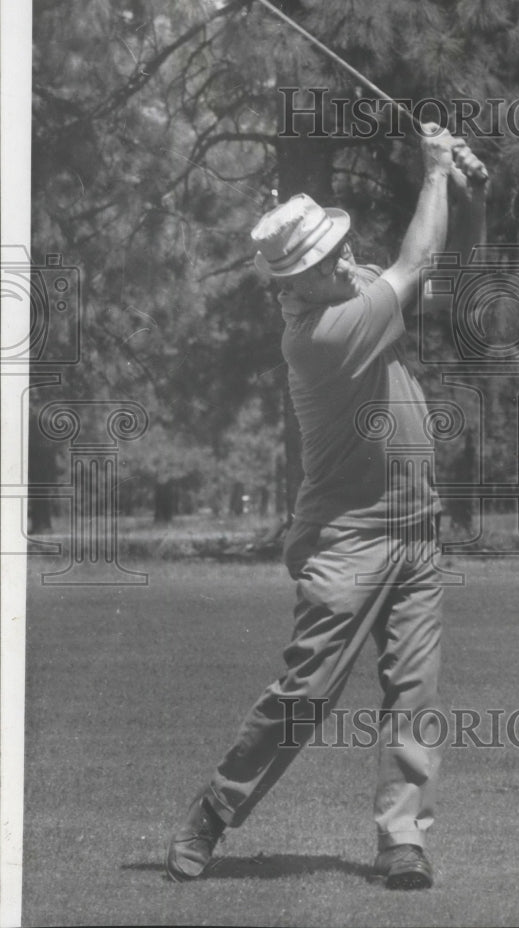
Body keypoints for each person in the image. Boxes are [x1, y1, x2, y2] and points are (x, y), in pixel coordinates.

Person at [166, 125, 487, 890]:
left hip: (416, 528)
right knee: (308, 694)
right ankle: (214, 810)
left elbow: (451, 274)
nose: (345, 258)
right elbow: (414, 262)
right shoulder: (319, 334)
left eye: (339, 247)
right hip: (347, 538)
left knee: (416, 691)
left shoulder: (349, 288)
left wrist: (473, 195)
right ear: (293, 286)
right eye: (324, 260)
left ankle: (402, 837)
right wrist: (435, 170)